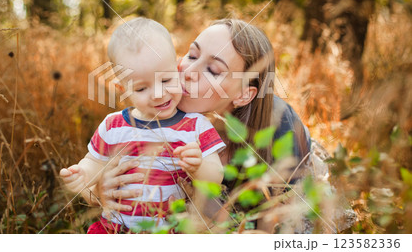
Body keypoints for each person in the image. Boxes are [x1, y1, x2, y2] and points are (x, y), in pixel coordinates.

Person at [89, 19, 312, 232]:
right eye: (191, 54)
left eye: (213, 70)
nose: (188, 71)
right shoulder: (161, 103)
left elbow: (284, 225)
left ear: (244, 94)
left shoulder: (282, 128)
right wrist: (101, 188)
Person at [60, 17, 225, 233]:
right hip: (116, 228)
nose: (158, 94)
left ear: (177, 69)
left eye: (166, 80)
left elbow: (216, 176)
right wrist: (83, 174)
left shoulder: (195, 126)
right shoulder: (113, 126)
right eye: (140, 89)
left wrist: (198, 167)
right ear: (123, 90)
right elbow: (94, 162)